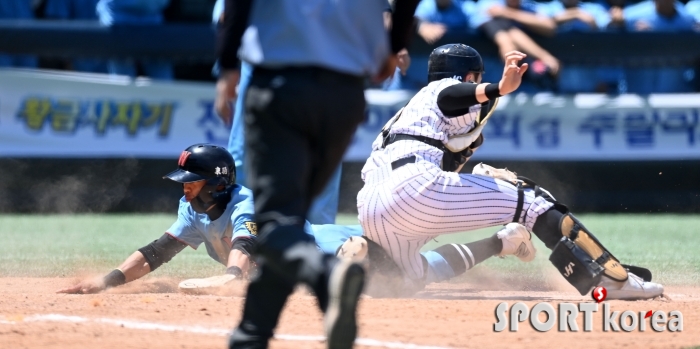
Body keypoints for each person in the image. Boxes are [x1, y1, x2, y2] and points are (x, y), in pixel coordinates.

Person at [356, 43, 664, 301]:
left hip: (372, 206)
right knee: (533, 201)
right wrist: (497, 88)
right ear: (468, 75)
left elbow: (449, 150)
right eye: (476, 77)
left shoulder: (409, 114)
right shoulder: (442, 89)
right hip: (414, 187)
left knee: (405, 282)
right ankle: (611, 280)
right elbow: (453, 95)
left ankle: (361, 272)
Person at [216, 0, 420, 348]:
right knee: (289, 224)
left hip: (281, 82)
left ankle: (329, 275)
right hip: (344, 94)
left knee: (277, 224)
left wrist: (227, 66)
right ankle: (251, 335)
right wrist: (395, 41)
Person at [57, 144, 258, 294]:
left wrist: (232, 276)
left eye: (192, 182)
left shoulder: (245, 206)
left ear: (217, 185)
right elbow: (157, 252)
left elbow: (244, 246)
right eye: (183, 182)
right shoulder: (192, 209)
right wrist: (107, 281)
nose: (185, 188)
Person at [471, 0, 560, 82]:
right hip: (492, 65)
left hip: (530, 65)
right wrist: (545, 57)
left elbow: (550, 27)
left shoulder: (530, 6)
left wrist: (507, 13)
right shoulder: (490, 3)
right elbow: (506, 37)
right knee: (507, 39)